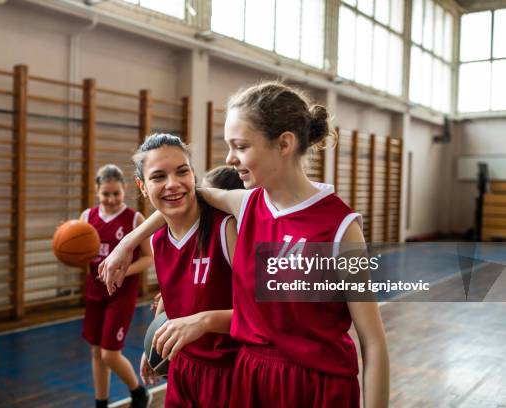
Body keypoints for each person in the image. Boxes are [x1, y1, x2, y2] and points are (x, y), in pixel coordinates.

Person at [99, 82, 389, 408]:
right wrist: (127, 243)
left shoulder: (341, 228)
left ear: (284, 144)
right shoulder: (246, 205)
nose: (229, 159)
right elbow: (184, 197)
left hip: (316, 388)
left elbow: (373, 342)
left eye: (240, 146)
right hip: (251, 380)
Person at [133, 134, 239, 408]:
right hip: (183, 371)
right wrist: (155, 342)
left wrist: (202, 322)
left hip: (231, 373)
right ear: (142, 187)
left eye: (182, 171)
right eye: (158, 177)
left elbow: (263, 318)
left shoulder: (226, 229)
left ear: (194, 175)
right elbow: (172, 296)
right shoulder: (158, 240)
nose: (173, 184)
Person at [79, 164, 153, 408]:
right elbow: (81, 256)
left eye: (116, 194)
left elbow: (149, 257)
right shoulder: (86, 218)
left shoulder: (134, 219)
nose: (111, 199)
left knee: (110, 353)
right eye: (106, 194)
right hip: (94, 292)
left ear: (124, 191)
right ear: (97, 191)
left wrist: (122, 270)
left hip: (121, 293)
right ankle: (101, 403)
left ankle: (139, 392)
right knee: (96, 351)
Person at [149, 165, 244, 312]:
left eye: (207, 198)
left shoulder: (228, 230)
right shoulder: (162, 237)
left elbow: (260, 314)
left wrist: (204, 321)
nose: (199, 203)